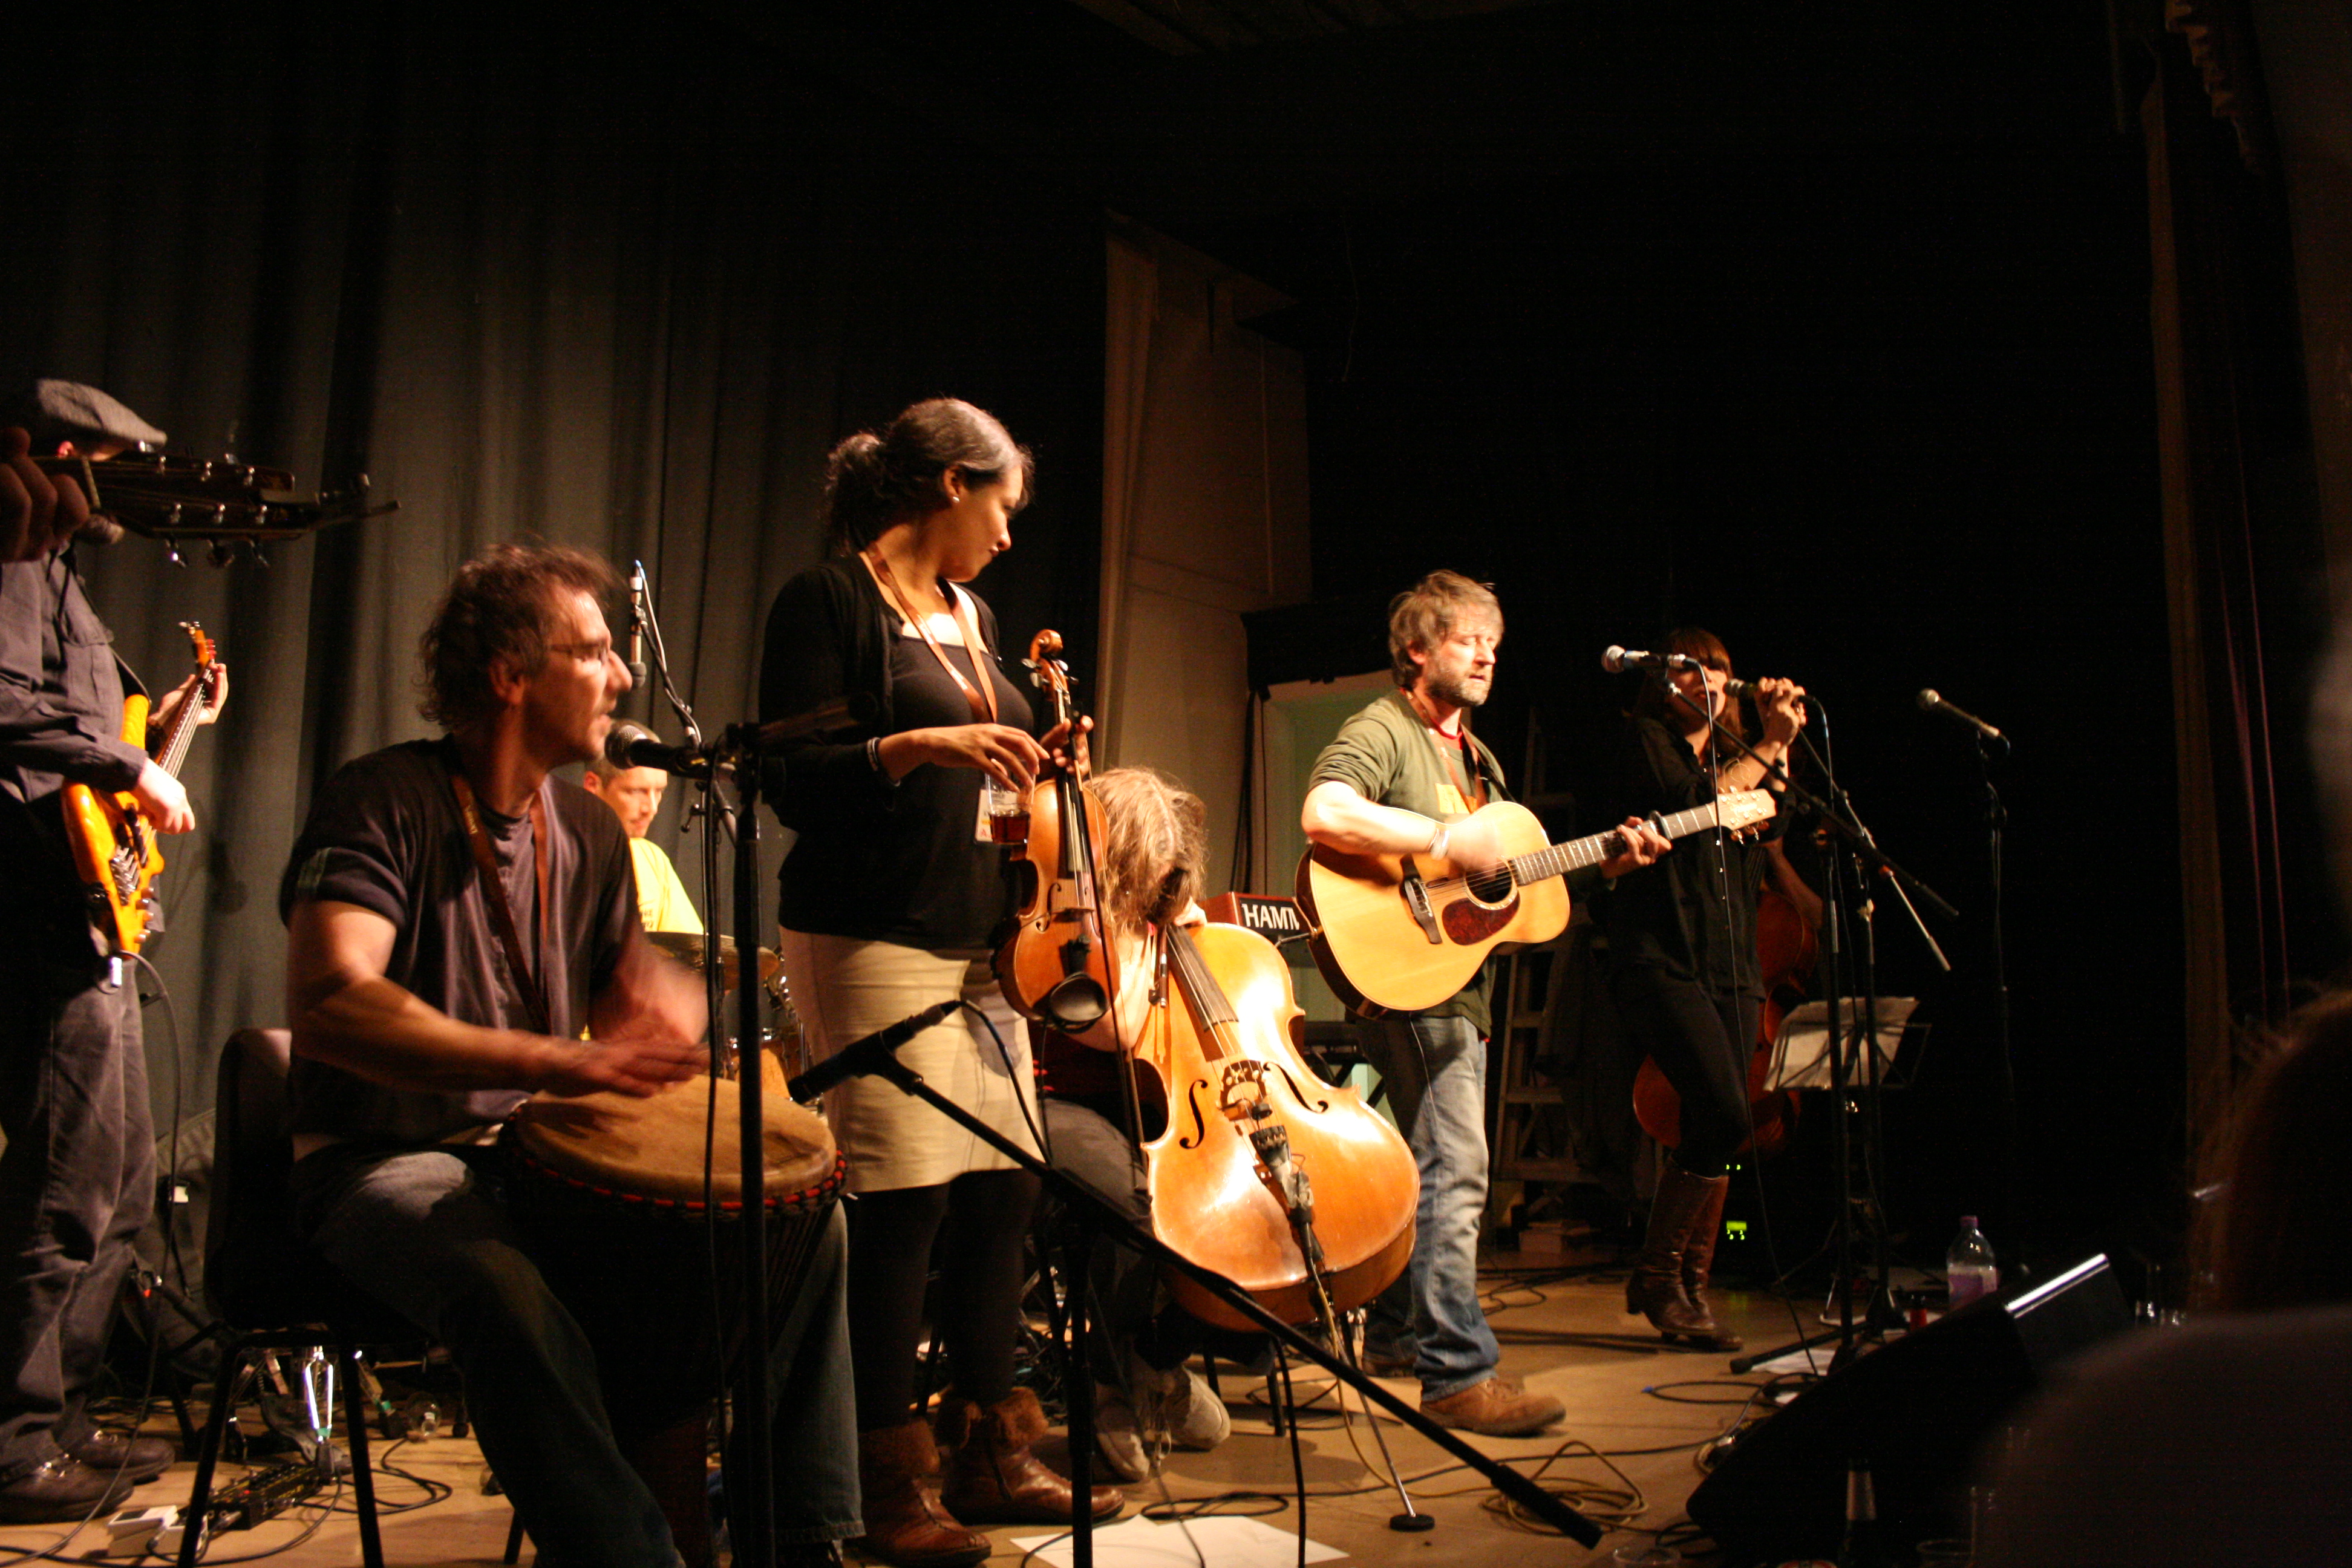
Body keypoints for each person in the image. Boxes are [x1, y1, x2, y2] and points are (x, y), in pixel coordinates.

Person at [281, 543, 858, 1568]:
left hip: (531, 1160)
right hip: (380, 1160)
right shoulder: (383, 800)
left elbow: (631, 1002)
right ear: (510, 674)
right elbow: (332, 1001)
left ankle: (797, 1543)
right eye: (592, 651)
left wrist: (670, 1028)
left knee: (807, 1224)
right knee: (499, 1285)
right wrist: (549, 1060)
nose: (623, 676)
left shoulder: (586, 831)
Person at [760, 399, 1118, 1568]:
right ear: (950, 486)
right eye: (1001, 507)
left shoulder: (977, 616)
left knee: (1004, 1191)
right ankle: (879, 1478)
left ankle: (989, 1449)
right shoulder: (829, 601)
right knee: (903, 1204)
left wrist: (1036, 763)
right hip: (871, 932)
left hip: (986, 943)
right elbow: (785, 774)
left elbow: (986, 774)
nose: (1009, 536)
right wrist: (914, 746)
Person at [1299, 569, 1668, 1437]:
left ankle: (1399, 1339)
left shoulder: (1480, 761)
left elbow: (1510, 884)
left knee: (1423, 1172)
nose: (1485, 657)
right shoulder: (1387, 728)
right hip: (1412, 986)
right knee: (1459, 1169)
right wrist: (1442, 837)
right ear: (1417, 649)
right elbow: (1325, 811)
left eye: (1493, 645)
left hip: (1454, 987)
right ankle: (1459, 1375)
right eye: (1467, 640)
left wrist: (1605, 864)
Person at [0, 383, 214, 1521]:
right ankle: (11, 1443)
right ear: (65, 455)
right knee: (64, 1184)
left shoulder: (60, 576)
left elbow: (81, 733)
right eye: (109, 461)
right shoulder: (9, 559)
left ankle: (64, 1416)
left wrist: (161, 727)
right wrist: (130, 766)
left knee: (124, 1178)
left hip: (94, 914)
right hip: (38, 914)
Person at [1598, 627, 1809, 1351]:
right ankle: (1662, 1278)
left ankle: (1687, 1285)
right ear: (1664, 684)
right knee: (1722, 1109)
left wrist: (1778, 743)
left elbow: (1776, 817)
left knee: (1722, 1124)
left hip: (1734, 967)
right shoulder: (1649, 744)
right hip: (1662, 957)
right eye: (1690, 670)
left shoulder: (1741, 759)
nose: (1707, 680)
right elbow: (1694, 804)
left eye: (1717, 669)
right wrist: (1767, 745)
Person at [1030, 766, 1232, 1483]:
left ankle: (1156, 1359)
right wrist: (1155, 936)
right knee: (1131, 1199)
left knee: (1249, 1205)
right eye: (1145, 877)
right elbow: (1118, 1028)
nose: (1157, 894)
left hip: (1152, 1103)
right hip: (1057, 1102)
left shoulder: (1156, 921)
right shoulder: (1066, 925)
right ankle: (1112, 1389)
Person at [584, 738, 703, 935]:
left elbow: (687, 946)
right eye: (637, 791)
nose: (652, 808)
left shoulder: (652, 858)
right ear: (593, 785)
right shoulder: (561, 851)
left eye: (659, 791)